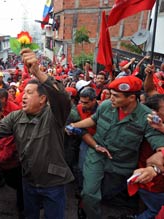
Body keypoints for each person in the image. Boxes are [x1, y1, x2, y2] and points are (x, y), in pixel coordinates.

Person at [0, 48, 73, 219]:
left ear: (43, 99)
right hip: (28, 180)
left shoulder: (54, 115)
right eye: (23, 93)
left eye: (29, 93)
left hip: (53, 182)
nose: (23, 97)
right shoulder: (16, 116)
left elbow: (62, 97)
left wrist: (37, 71)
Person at [70, 76, 164, 219]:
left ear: (131, 97)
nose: (110, 98)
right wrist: (74, 126)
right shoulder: (106, 105)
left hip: (121, 165)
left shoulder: (147, 117)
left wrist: (156, 162)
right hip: (97, 156)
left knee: (105, 194)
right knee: (89, 193)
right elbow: (93, 120)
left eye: (115, 96)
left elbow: (159, 143)